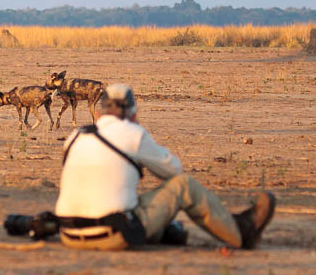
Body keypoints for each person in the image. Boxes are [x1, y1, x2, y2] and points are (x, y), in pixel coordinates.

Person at [54, 84, 276, 251]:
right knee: (184, 186)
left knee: (126, 201)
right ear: (133, 113)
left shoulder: (75, 136)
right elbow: (174, 172)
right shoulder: (133, 133)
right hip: (111, 234)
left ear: (100, 112)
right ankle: (241, 234)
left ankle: (168, 231)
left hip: (69, 235)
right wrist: (138, 132)